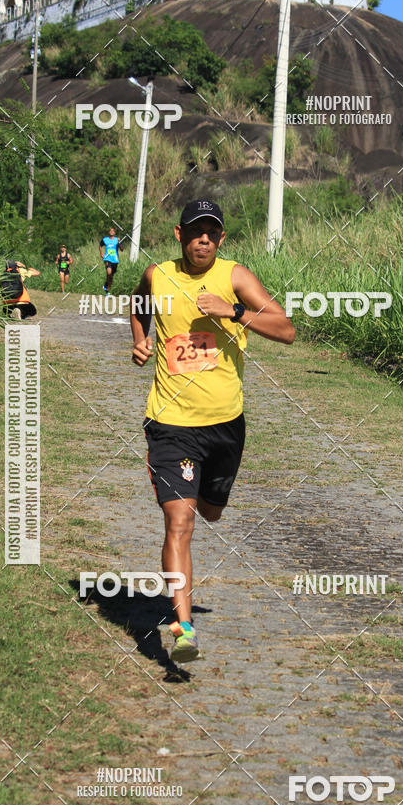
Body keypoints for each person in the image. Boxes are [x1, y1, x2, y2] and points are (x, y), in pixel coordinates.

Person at [130, 198, 295, 663]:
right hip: (170, 423)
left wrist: (234, 311)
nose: (203, 238)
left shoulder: (235, 277)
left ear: (221, 240)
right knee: (178, 522)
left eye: (212, 232)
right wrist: (140, 340)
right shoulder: (157, 275)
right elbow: (139, 305)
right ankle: (183, 629)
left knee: (210, 513)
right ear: (179, 234)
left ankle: (206, 496)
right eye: (195, 230)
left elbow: (286, 329)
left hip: (225, 425)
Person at [99, 227, 123, 294]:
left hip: (115, 260)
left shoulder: (117, 239)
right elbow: (100, 245)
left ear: (115, 233)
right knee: (109, 273)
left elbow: (122, 249)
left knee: (111, 276)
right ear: (109, 232)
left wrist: (119, 242)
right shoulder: (105, 239)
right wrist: (101, 253)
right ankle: (107, 289)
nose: (111, 232)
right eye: (110, 231)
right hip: (107, 258)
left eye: (113, 231)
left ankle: (106, 288)